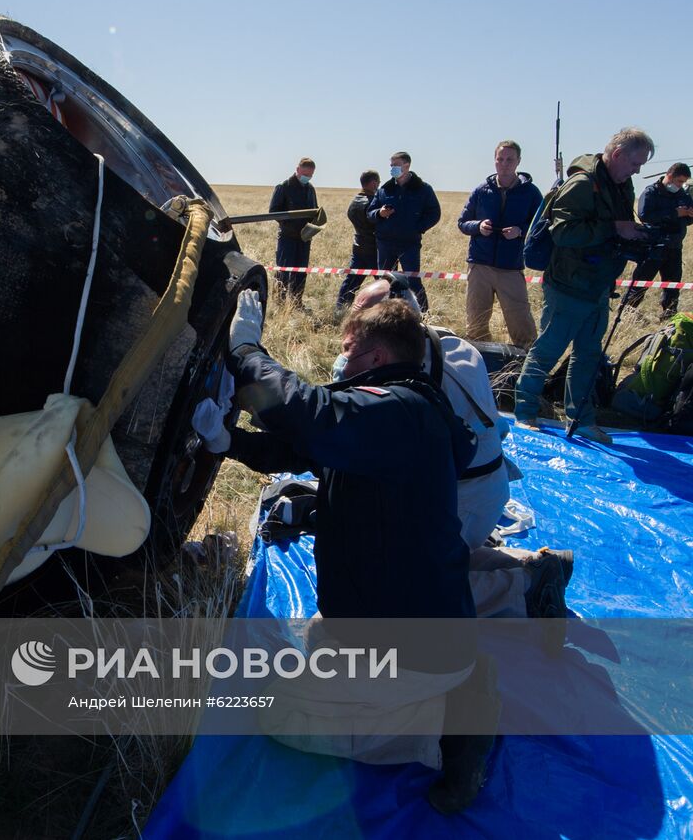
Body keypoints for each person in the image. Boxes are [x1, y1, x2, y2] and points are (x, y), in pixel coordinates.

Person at [201, 292, 497, 812]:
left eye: (348, 352)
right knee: (313, 649)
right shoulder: (390, 416)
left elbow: (309, 414)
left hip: (417, 652)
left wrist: (246, 352)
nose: (340, 362)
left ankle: (451, 727)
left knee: (280, 715)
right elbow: (299, 446)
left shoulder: (399, 414)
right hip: (393, 622)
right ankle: (508, 604)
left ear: (377, 358)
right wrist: (230, 443)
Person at [351, 278, 572, 621]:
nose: (351, 335)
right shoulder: (449, 342)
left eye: (361, 323)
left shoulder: (407, 372)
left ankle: (525, 587)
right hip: (483, 488)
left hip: (463, 499)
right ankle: (534, 566)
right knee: (433, 551)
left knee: (398, 591)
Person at [513, 128, 655, 443]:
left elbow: (615, 226)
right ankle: (525, 413)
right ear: (617, 154)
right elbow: (564, 233)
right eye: (635, 163)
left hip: (598, 285)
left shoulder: (619, 185)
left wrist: (636, 233)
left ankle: (581, 419)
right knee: (548, 350)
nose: (637, 170)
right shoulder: (581, 185)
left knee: (589, 356)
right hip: (568, 286)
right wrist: (612, 228)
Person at [457, 141, 542, 346]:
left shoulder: (530, 192)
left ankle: (527, 368)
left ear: (518, 161)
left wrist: (520, 231)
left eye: (509, 159)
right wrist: (478, 226)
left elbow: (540, 226)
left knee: (522, 324)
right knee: (476, 324)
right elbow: (462, 222)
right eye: (500, 159)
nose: (504, 164)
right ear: (495, 161)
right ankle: (479, 367)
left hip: (510, 268)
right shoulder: (481, 190)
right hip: (480, 266)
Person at [369, 151, 441, 311]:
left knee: (413, 281)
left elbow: (434, 213)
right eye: (391, 165)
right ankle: (385, 313)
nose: (392, 168)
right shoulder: (385, 189)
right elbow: (370, 212)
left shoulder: (422, 189)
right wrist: (379, 213)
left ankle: (423, 315)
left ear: (407, 166)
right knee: (385, 281)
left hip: (409, 244)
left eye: (396, 165)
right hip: (385, 243)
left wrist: (418, 228)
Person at [629, 162, 693, 317]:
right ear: (670, 176)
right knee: (640, 283)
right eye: (679, 181)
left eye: (683, 182)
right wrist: (674, 214)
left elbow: (687, 219)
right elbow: (645, 215)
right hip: (653, 246)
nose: (680, 185)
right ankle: (628, 313)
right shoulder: (651, 192)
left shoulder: (682, 196)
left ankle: (669, 315)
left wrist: (688, 214)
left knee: (673, 286)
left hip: (674, 247)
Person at [270, 157, 319, 305]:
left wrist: (314, 225)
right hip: (287, 237)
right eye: (305, 174)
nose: (307, 177)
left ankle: (297, 301)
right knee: (284, 270)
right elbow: (274, 211)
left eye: (310, 175)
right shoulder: (283, 187)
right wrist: (290, 224)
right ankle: (280, 301)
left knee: (301, 271)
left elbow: (314, 210)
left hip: (304, 238)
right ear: (297, 170)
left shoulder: (310, 189)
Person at [335, 170, 381, 314]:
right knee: (385, 283)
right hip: (374, 247)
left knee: (351, 281)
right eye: (378, 183)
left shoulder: (354, 201)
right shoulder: (372, 202)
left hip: (359, 244)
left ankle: (340, 309)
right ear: (373, 183)